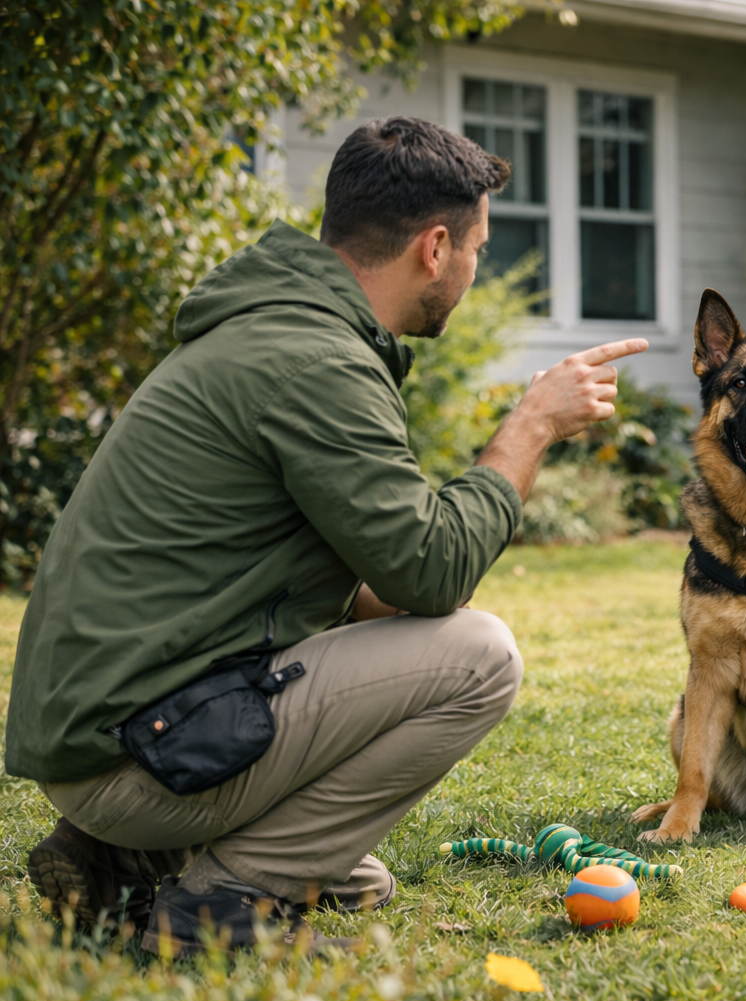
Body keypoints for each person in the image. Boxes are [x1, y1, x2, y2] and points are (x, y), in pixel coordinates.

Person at [8, 116, 647, 952]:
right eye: (478, 251)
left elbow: (374, 582)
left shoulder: (280, 327)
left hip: (108, 732)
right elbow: (432, 571)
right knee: (482, 658)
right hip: (132, 750)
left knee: (357, 878)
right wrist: (526, 430)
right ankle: (218, 907)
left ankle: (117, 860)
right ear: (434, 246)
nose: (474, 270)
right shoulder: (318, 362)